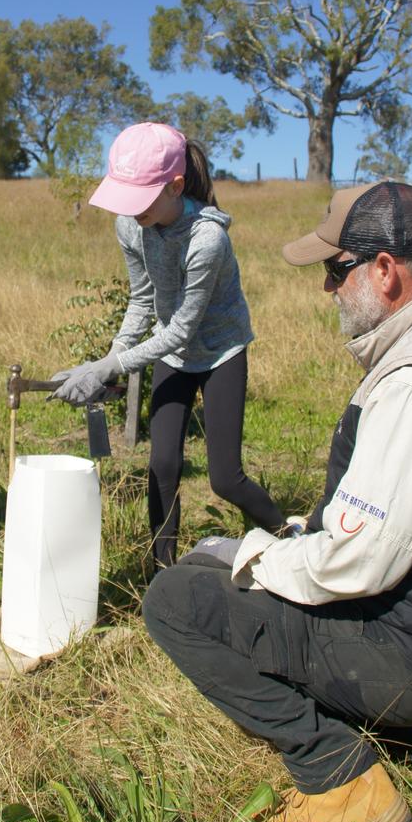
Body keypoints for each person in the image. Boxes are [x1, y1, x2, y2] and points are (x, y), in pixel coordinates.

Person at [142, 180, 412, 822]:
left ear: (385, 270)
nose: (327, 288)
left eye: (334, 270)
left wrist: (255, 557)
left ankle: (342, 778)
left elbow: (357, 562)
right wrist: (289, 539)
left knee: (175, 597)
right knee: (237, 562)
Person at [52, 121, 284, 568]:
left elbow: (181, 329)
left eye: (138, 197)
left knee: (225, 479)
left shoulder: (208, 238)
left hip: (220, 353)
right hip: (172, 356)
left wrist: (111, 368)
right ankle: (163, 569)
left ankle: (288, 536)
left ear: (176, 186)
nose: (128, 209)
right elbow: (143, 299)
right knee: (161, 466)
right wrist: (108, 358)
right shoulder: (131, 226)